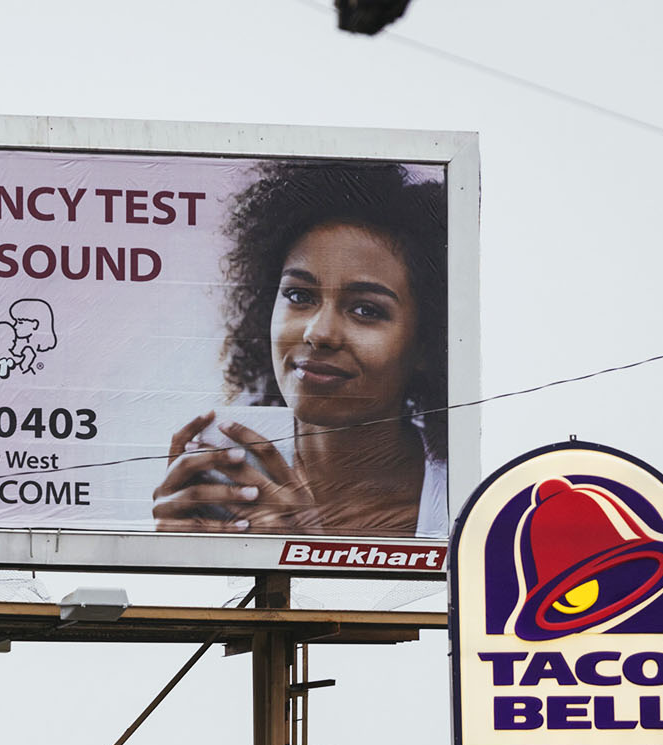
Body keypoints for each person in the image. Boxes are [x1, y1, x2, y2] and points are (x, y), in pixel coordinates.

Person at [152, 161, 448, 537]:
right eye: (299, 295)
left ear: (426, 341)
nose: (319, 332)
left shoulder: (464, 504)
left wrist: (302, 557)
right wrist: (174, 561)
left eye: (366, 310)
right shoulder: (214, 482)